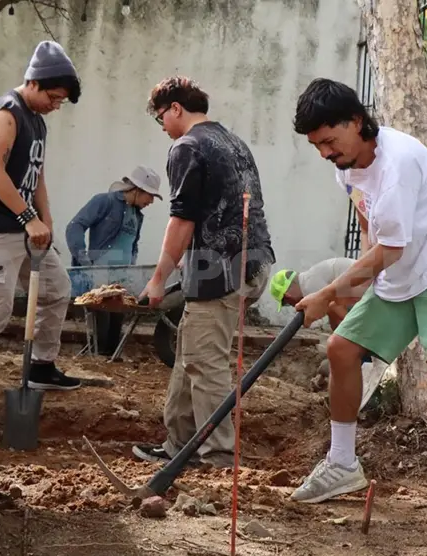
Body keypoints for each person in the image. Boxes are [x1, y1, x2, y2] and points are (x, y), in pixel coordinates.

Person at [289, 77, 427, 519]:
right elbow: (371, 224)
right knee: (342, 348)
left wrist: (328, 293)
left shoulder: (398, 163)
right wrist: (363, 280)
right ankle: (342, 463)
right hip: (402, 268)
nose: (325, 153)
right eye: (317, 145)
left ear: (356, 121)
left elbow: (391, 248)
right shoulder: (346, 165)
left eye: (329, 141)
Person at [133, 76, 276, 468]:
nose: (162, 126)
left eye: (161, 117)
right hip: (251, 262)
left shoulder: (187, 146)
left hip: (220, 272)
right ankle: (179, 443)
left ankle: (218, 454)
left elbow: (182, 220)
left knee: (205, 361)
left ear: (176, 108)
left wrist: (157, 280)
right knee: (190, 350)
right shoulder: (233, 142)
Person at [0, 40, 83, 430]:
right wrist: (28, 217)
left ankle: (41, 366)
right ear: (35, 82)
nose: (55, 106)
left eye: (61, 101)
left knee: (56, 289)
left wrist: (45, 219)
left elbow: (36, 174)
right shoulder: (7, 113)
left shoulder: (37, 121)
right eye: (53, 98)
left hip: (23, 229)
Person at [65, 166, 163, 355]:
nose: (151, 201)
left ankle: (109, 358)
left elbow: (133, 245)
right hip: (100, 277)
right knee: (102, 326)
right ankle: (97, 359)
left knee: (116, 328)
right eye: (150, 195)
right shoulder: (104, 201)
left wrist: (132, 268)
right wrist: (84, 260)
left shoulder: (137, 216)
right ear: (137, 189)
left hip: (122, 279)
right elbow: (75, 226)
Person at [268, 257, 359, 330]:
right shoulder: (310, 278)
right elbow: (333, 313)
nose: (293, 305)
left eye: (286, 303)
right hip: (359, 285)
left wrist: (353, 329)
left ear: (288, 296)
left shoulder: (309, 286)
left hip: (363, 285)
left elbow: (334, 307)